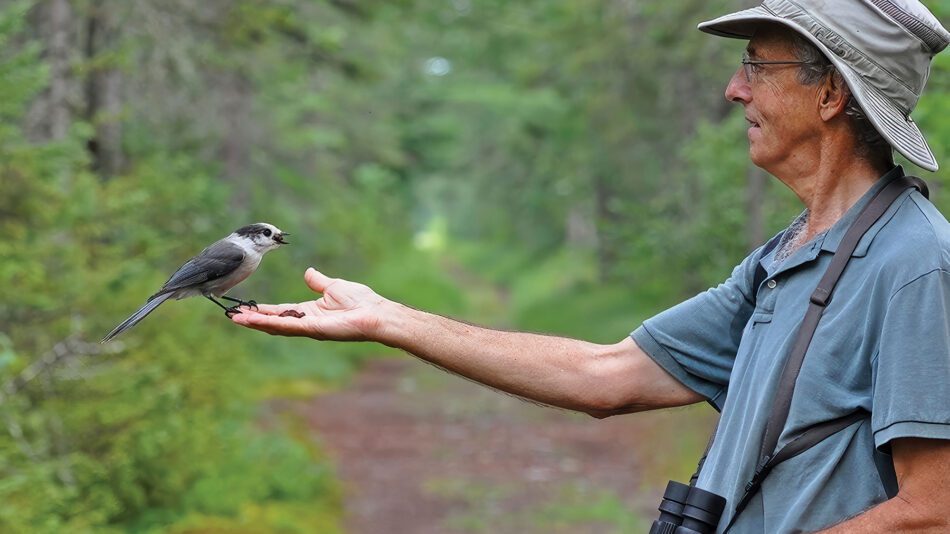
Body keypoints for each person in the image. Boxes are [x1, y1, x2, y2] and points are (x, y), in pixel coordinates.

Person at [231, 1, 950, 532]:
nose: (735, 90)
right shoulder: (787, 256)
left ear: (830, 95)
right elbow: (607, 376)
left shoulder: (914, 264)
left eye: (758, 65)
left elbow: (933, 509)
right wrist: (388, 319)